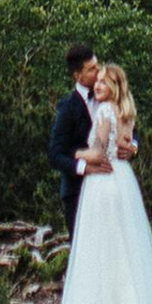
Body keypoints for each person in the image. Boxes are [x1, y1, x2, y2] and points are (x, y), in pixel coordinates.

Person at [50, 63, 152, 304]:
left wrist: (79, 154)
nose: (97, 83)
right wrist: (125, 147)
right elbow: (121, 142)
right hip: (120, 182)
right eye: (95, 78)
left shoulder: (106, 111)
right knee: (122, 255)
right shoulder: (121, 110)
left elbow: (101, 151)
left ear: (114, 86)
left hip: (103, 184)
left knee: (102, 257)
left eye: (103, 80)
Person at [48, 43, 99, 243]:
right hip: (77, 192)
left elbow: (131, 129)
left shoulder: (108, 97)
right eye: (92, 69)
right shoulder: (68, 108)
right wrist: (84, 167)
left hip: (108, 188)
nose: (98, 71)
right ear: (78, 76)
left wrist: (133, 147)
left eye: (98, 65)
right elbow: (55, 154)